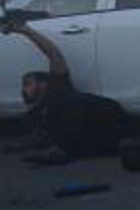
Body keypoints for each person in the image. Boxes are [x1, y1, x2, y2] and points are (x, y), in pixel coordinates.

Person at [1, 19, 127, 163]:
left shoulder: (57, 89)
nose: (23, 89)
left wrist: (26, 31)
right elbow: (42, 136)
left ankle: (63, 153)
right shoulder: (37, 113)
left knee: (65, 104)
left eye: (27, 84)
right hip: (99, 142)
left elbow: (54, 54)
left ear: (43, 84)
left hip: (112, 124)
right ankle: (63, 153)